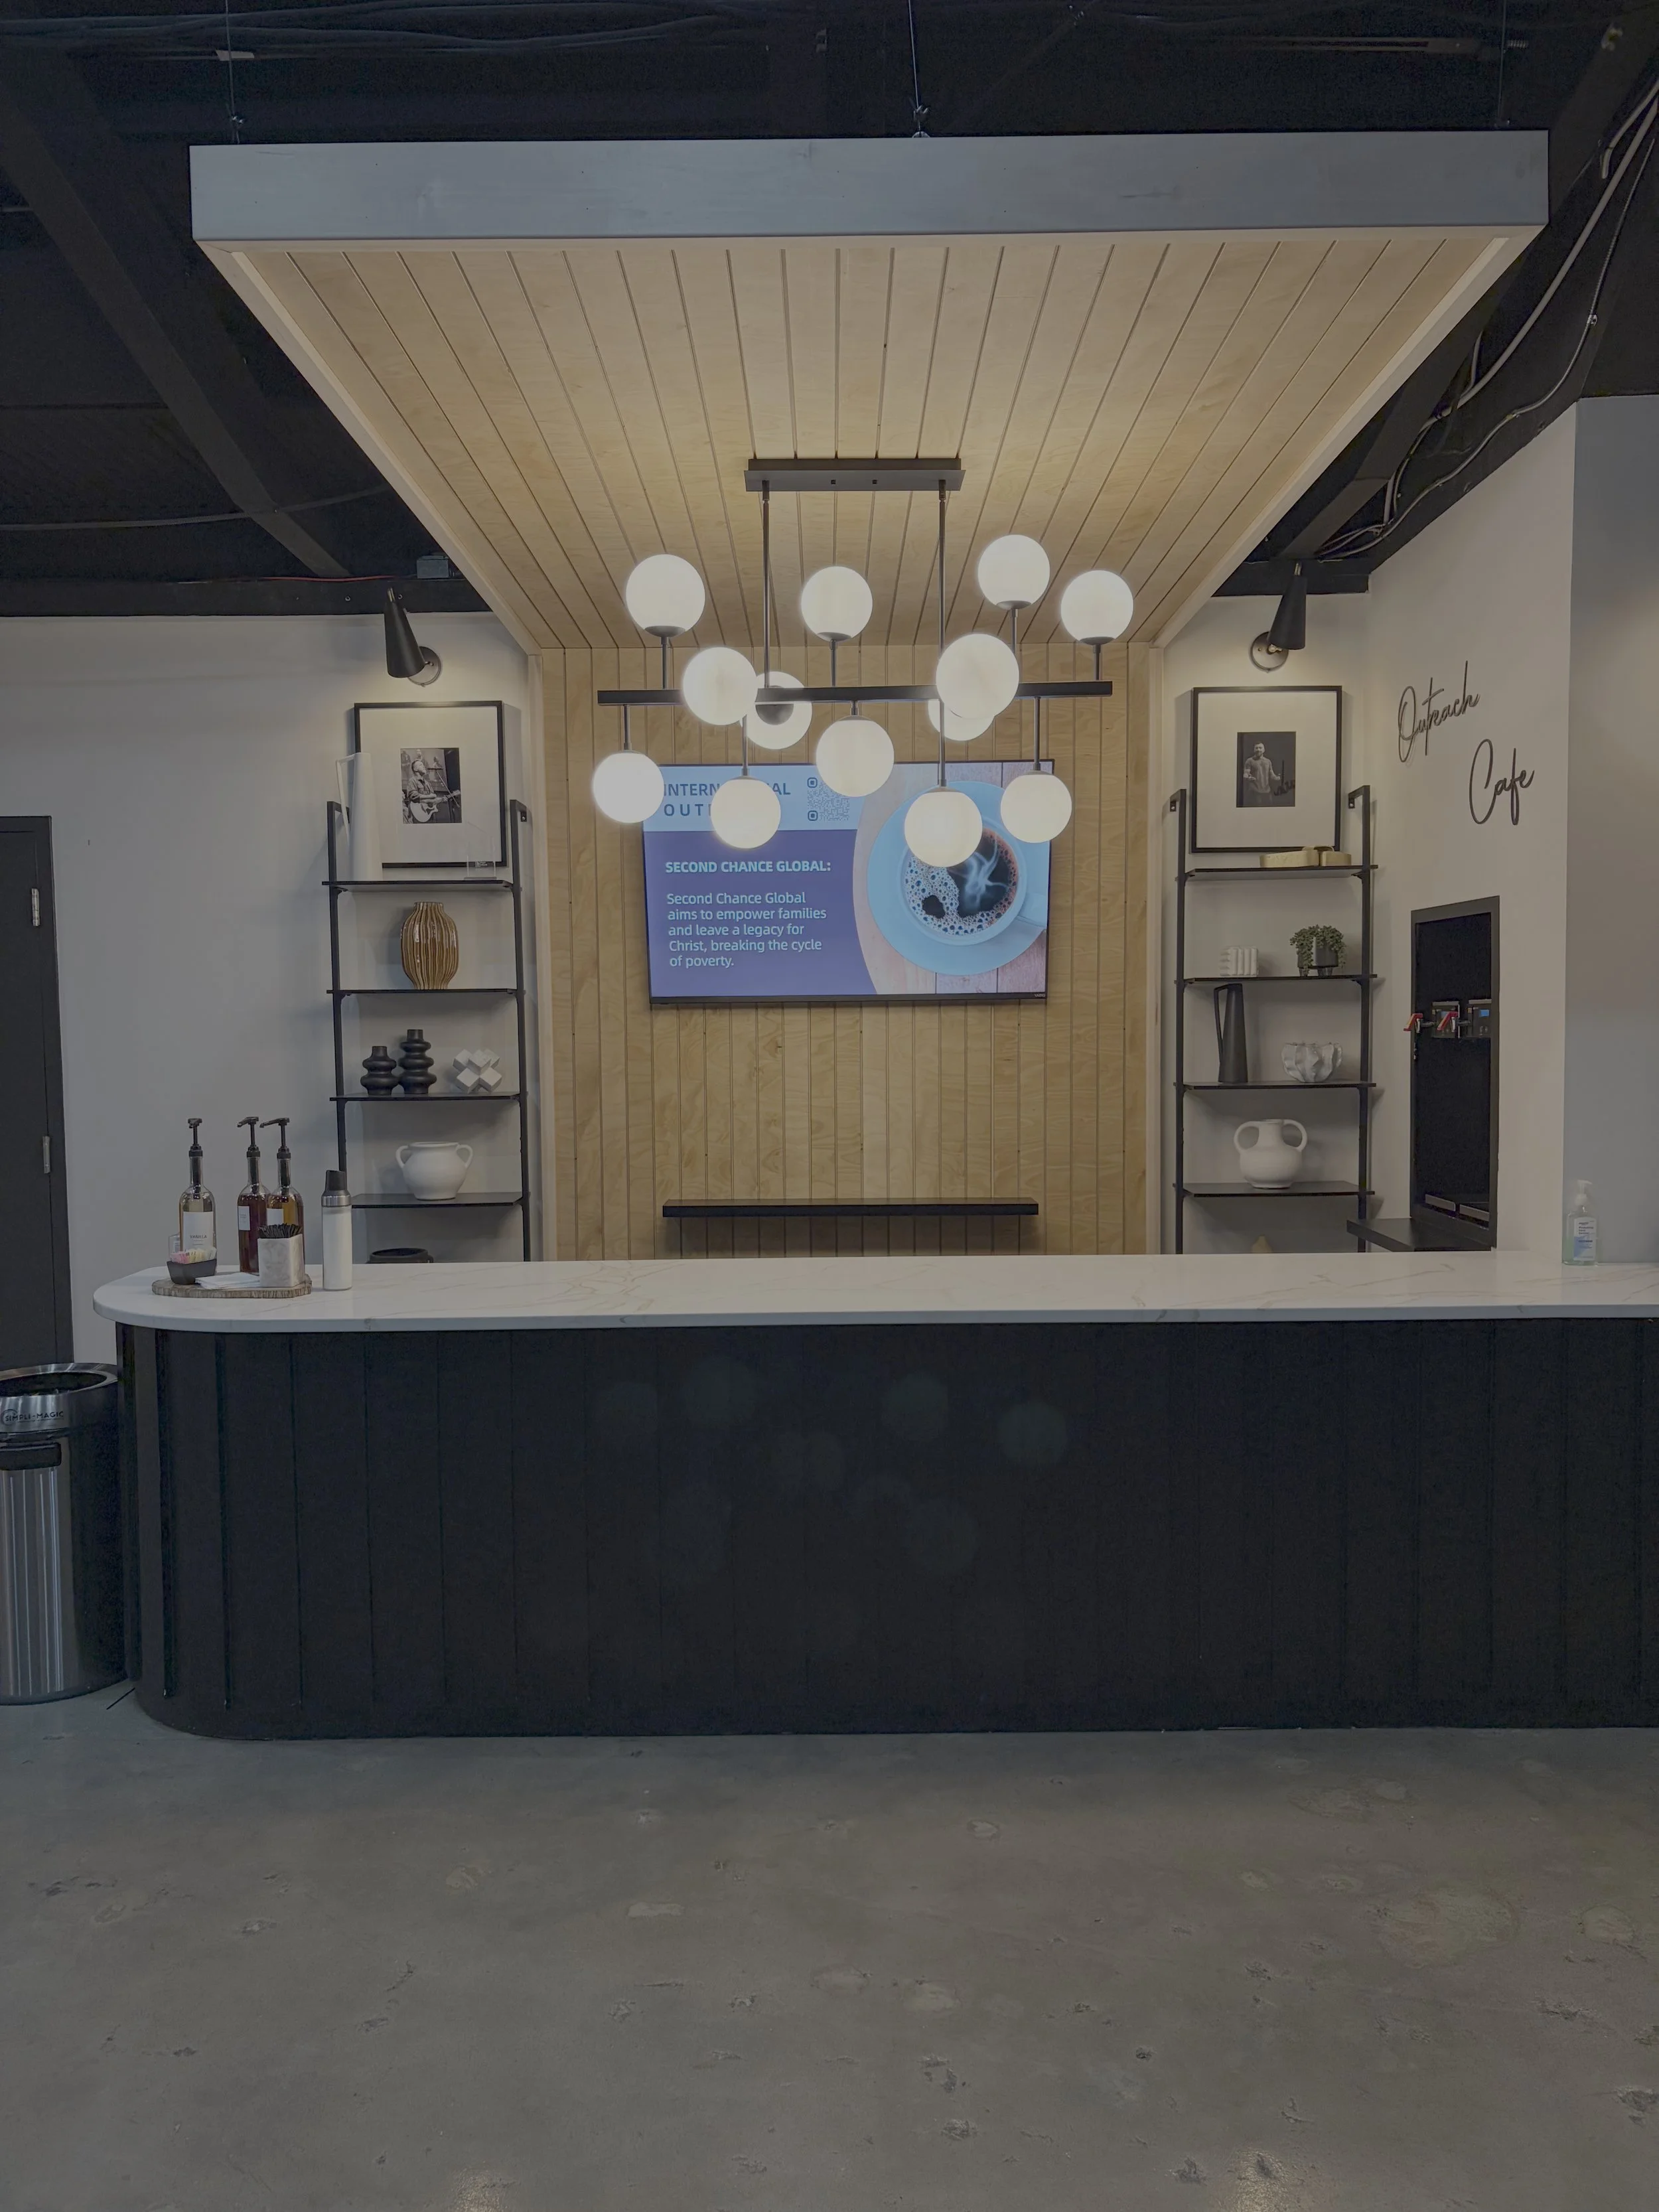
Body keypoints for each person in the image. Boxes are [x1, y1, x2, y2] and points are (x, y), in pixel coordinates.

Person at [1240, 740, 1282, 804]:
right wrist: (1248, 777)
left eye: (1260, 748)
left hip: (1267, 792)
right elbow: (1246, 773)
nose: (1258, 750)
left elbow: (1271, 774)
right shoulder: (1249, 761)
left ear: (1264, 750)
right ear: (1254, 750)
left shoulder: (1268, 761)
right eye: (1256, 748)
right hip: (1255, 792)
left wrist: (1276, 778)